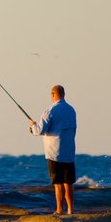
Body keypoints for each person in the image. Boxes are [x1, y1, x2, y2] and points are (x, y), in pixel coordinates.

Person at [29, 85, 77, 214]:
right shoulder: (71, 110)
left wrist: (33, 126)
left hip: (54, 152)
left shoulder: (49, 111)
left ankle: (59, 209)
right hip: (69, 152)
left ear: (53, 94)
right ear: (64, 94)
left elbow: (39, 131)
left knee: (58, 183)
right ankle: (71, 210)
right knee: (68, 183)